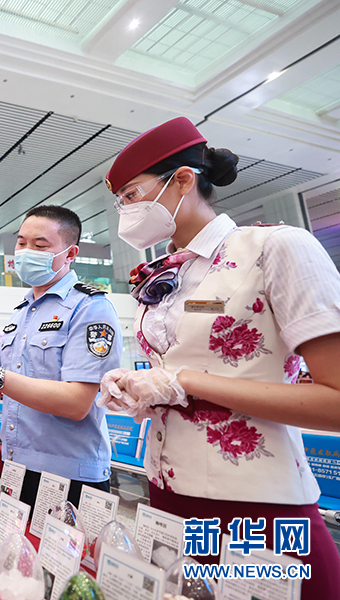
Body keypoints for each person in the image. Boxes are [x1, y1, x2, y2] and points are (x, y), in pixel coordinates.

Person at [99, 116, 340, 596]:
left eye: (131, 195)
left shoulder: (274, 247)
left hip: (256, 503)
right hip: (167, 493)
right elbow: (181, 366)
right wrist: (141, 387)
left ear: (182, 180)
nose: (125, 210)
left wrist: (184, 382)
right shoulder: (163, 273)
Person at [0, 205, 122, 511]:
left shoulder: (90, 308)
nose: (25, 252)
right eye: (21, 243)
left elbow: (77, 403)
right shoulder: (22, 312)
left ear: (70, 254)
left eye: (40, 245)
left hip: (70, 476)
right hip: (16, 467)